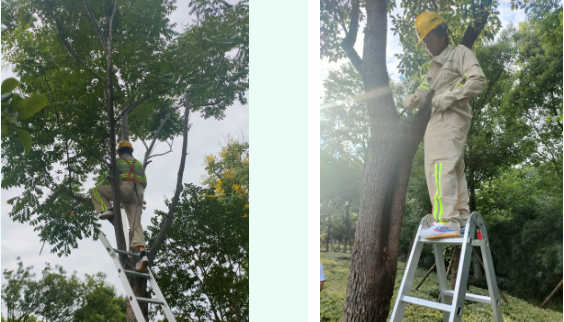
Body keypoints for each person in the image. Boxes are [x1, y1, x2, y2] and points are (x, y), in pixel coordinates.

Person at [403, 12, 487, 239]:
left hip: (450, 116)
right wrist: (415, 99)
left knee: (438, 165)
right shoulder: (434, 67)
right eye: (425, 42)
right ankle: (459, 219)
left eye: (428, 40)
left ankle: (445, 221)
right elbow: (424, 89)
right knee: (453, 168)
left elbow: (478, 80)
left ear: (441, 34)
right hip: (439, 119)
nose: (427, 46)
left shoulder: (460, 53)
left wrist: (451, 96)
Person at [90, 141, 149, 271]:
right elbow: (144, 183)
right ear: (131, 151)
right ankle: (143, 255)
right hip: (139, 194)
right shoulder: (139, 164)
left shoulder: (117, 161)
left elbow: (112, 178)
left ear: (119, 152)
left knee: (95, 191)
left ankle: (108, 210)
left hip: (125, 189)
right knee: (136, 226)